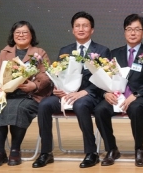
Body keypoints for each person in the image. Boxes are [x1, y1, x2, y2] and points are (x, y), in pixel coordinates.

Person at [32, 11, 111, 169]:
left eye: (85, 26)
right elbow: (58, 74)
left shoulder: (102, 51)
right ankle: (46, 152)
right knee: (44, 105)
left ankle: (91, 152)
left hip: (89, 94)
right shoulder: (65, 50)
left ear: (92, 30)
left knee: (80, 105)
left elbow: (105, 77)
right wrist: (57, 88)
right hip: (66, 94)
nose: (81, 29)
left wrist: (84, 92)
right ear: (73, 29)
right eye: (77, 26)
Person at [94, 14, 143, 167]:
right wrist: (106, 93)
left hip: (140, 97)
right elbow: (104, 77)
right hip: (116, 96)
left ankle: (139, 149)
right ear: (124, 32)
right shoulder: (114, 53)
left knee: (136, 108)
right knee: (100, 110)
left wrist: (136, 94)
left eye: (137, 29)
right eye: (129, 29)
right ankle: (111, 149)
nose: (133, 33)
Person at [0, 21, 53, 167]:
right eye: (17, 32)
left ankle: (15, 150)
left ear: (31, 35)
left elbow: (46, 75)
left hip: (30, 96)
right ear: (13, 35)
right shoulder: (5, 52)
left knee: (18, 109)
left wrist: (35, 85)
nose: (21, 35)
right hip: (7, 96)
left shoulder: (39, 52)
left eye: (24, 32)